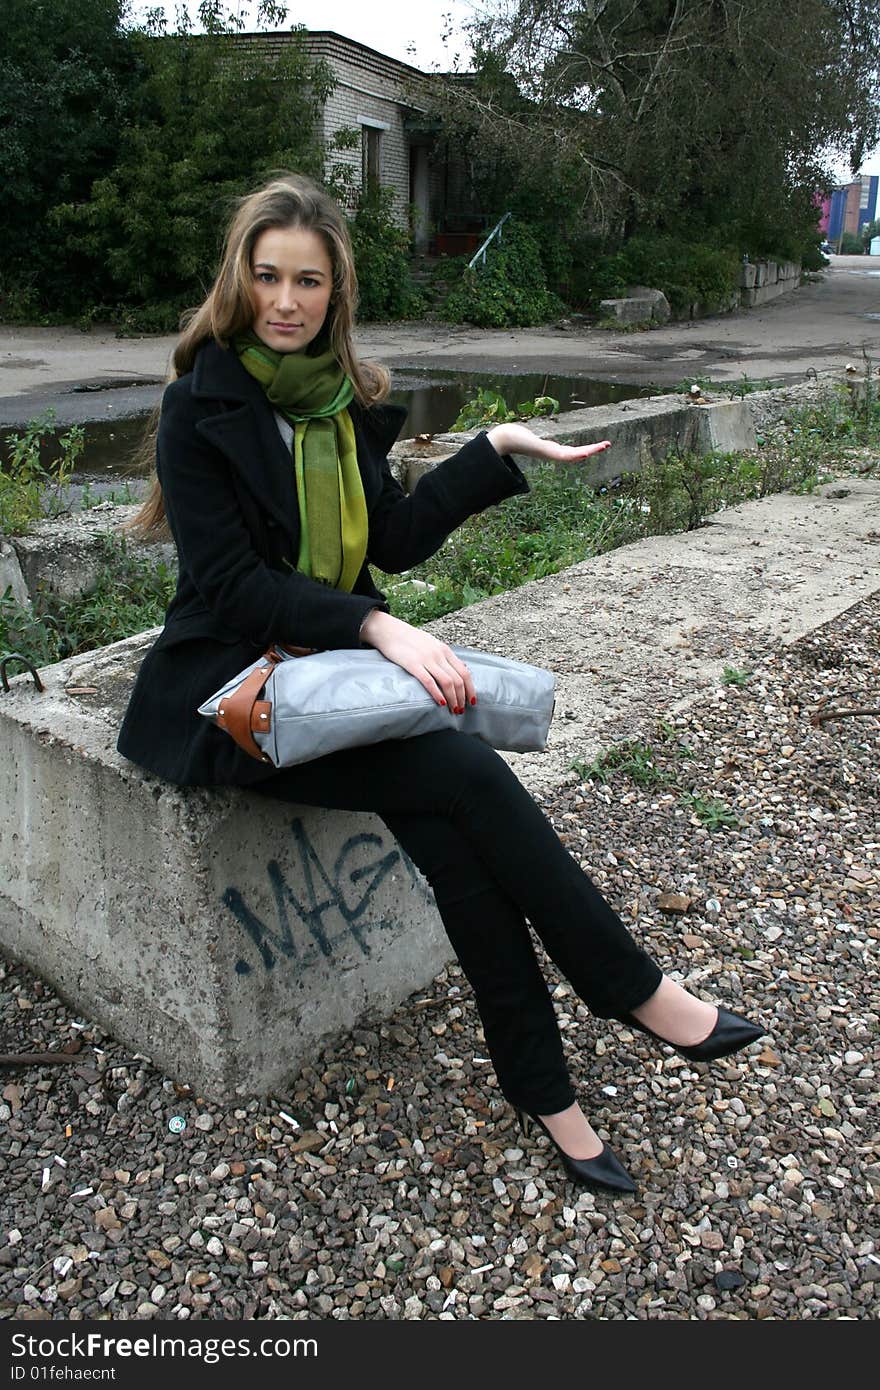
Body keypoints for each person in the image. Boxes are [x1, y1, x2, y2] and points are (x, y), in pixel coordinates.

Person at [118, 172, 763, 1195]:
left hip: (330, 674)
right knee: (459, 777)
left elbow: (399, 538)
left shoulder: (345, 404)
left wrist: (493, 449)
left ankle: (548, 1084)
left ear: (337, 293)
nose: (285, 301)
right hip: (237, 697)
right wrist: (376, 625)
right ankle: (630, 992)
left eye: (309, 282)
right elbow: (235, 587)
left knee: (454, 821)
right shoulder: (197, 405)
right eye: (268, 276)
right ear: (239, 280)